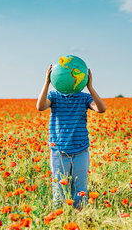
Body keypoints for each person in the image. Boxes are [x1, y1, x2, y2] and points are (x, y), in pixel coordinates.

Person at [36, 63, 106, 209]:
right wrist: (46, 82)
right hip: (59, 152)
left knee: (80, 190)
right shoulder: (54, 96)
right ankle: (60, 222)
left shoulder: (84, 98)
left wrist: (90, 87)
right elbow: (40, 106)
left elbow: (101, 109)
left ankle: (79, 220)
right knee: (59, 189)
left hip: (80, 150)